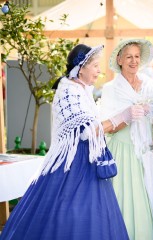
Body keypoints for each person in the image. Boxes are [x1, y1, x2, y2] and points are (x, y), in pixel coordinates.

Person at [0, 44, 129, 239]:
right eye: (95, 66)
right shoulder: (68, 90)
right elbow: (86, 132)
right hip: (72, 164)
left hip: (88, 160)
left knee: (94, 213)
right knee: (69, 214)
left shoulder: (83, 89)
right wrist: (120, 117)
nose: (99, 71)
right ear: (81, 67)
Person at [100, 39, 153, 240]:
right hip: (122, 150)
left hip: (146, 150)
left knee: (148, 198)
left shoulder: (150, 85)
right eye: (128, 57)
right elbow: (107, 127)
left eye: (136, 56)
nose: (134, 61)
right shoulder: (110, 88)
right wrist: (127, 116)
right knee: (124, 198)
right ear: (119, 60)